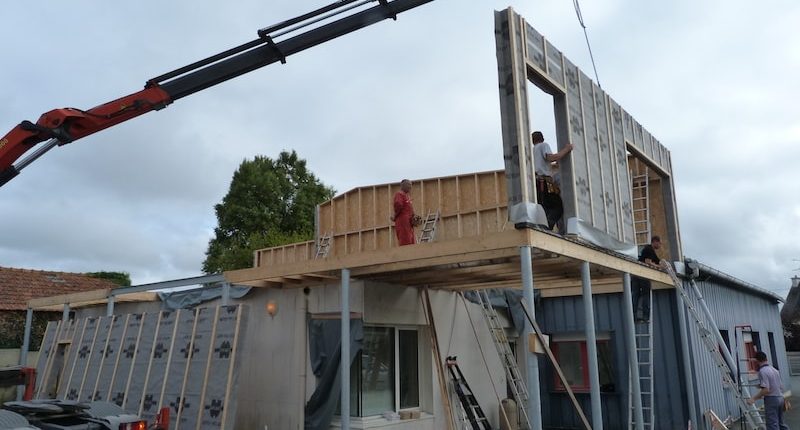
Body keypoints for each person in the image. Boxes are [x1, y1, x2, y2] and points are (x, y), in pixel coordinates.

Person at [531, 131, 573, 231]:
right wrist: (567, 149)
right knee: (557, 207)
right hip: (544, 182)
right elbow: (551, 158)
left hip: (536, 184)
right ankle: (547, 227)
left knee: (545, 207)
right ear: (543, 138)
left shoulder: (532, 150)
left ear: (533, 141)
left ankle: (544, 228)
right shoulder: (543, 145)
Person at [747, 351, 790, 430]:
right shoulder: (774, 370)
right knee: (781, 423)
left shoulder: (762, 371)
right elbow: (779, 386)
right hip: (780, 398)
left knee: (772, 424)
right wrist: (761, 386)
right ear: (766, 359)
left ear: (757, 361)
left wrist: (753, 398)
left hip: (772, 400)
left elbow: (766, 390)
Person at [631, 236, 661, 322]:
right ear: (655, 242)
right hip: (643, 274)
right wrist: (659, 267)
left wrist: (661, 264)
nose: (660, 245)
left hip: (635, 274)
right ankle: (645, 316)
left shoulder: (648, 250)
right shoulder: (649, 249)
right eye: (659, 243)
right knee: (645, 295)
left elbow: (656, 260)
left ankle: (634, 316)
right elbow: (648, 262)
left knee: (635, 295)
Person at [391, 179, 416, 246]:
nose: (410, 187)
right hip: (403, 221)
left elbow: (409, 208)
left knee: (411, 238)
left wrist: (413, 216)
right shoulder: (399, 194)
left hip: (408, 221)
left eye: (411, 185)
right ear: (402, 185)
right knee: (405, 238)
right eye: (408, 185)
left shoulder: (407, 196)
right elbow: (398, 204)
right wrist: (395, 216)